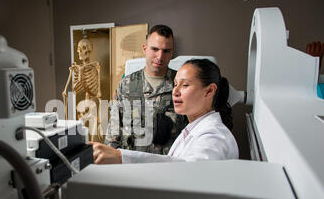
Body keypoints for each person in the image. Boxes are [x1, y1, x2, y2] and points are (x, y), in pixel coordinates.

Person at [93, 59, 239, 164]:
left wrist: (121, 157)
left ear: (209, 91)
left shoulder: (213, 138)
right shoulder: (192, 130)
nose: (175, 91)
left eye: (185, 85)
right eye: (175, 84)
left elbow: (187, 175)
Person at [105, 24, 183, 155]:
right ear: (145, 49)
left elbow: (193, 129)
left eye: (166, 51)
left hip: (168, 165)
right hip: (132, 164)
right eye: (155, 49)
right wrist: (108, 159)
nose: (160, 56)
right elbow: (114, 130)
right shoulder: (126, 84)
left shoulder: (181, 84)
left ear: (172, 52)